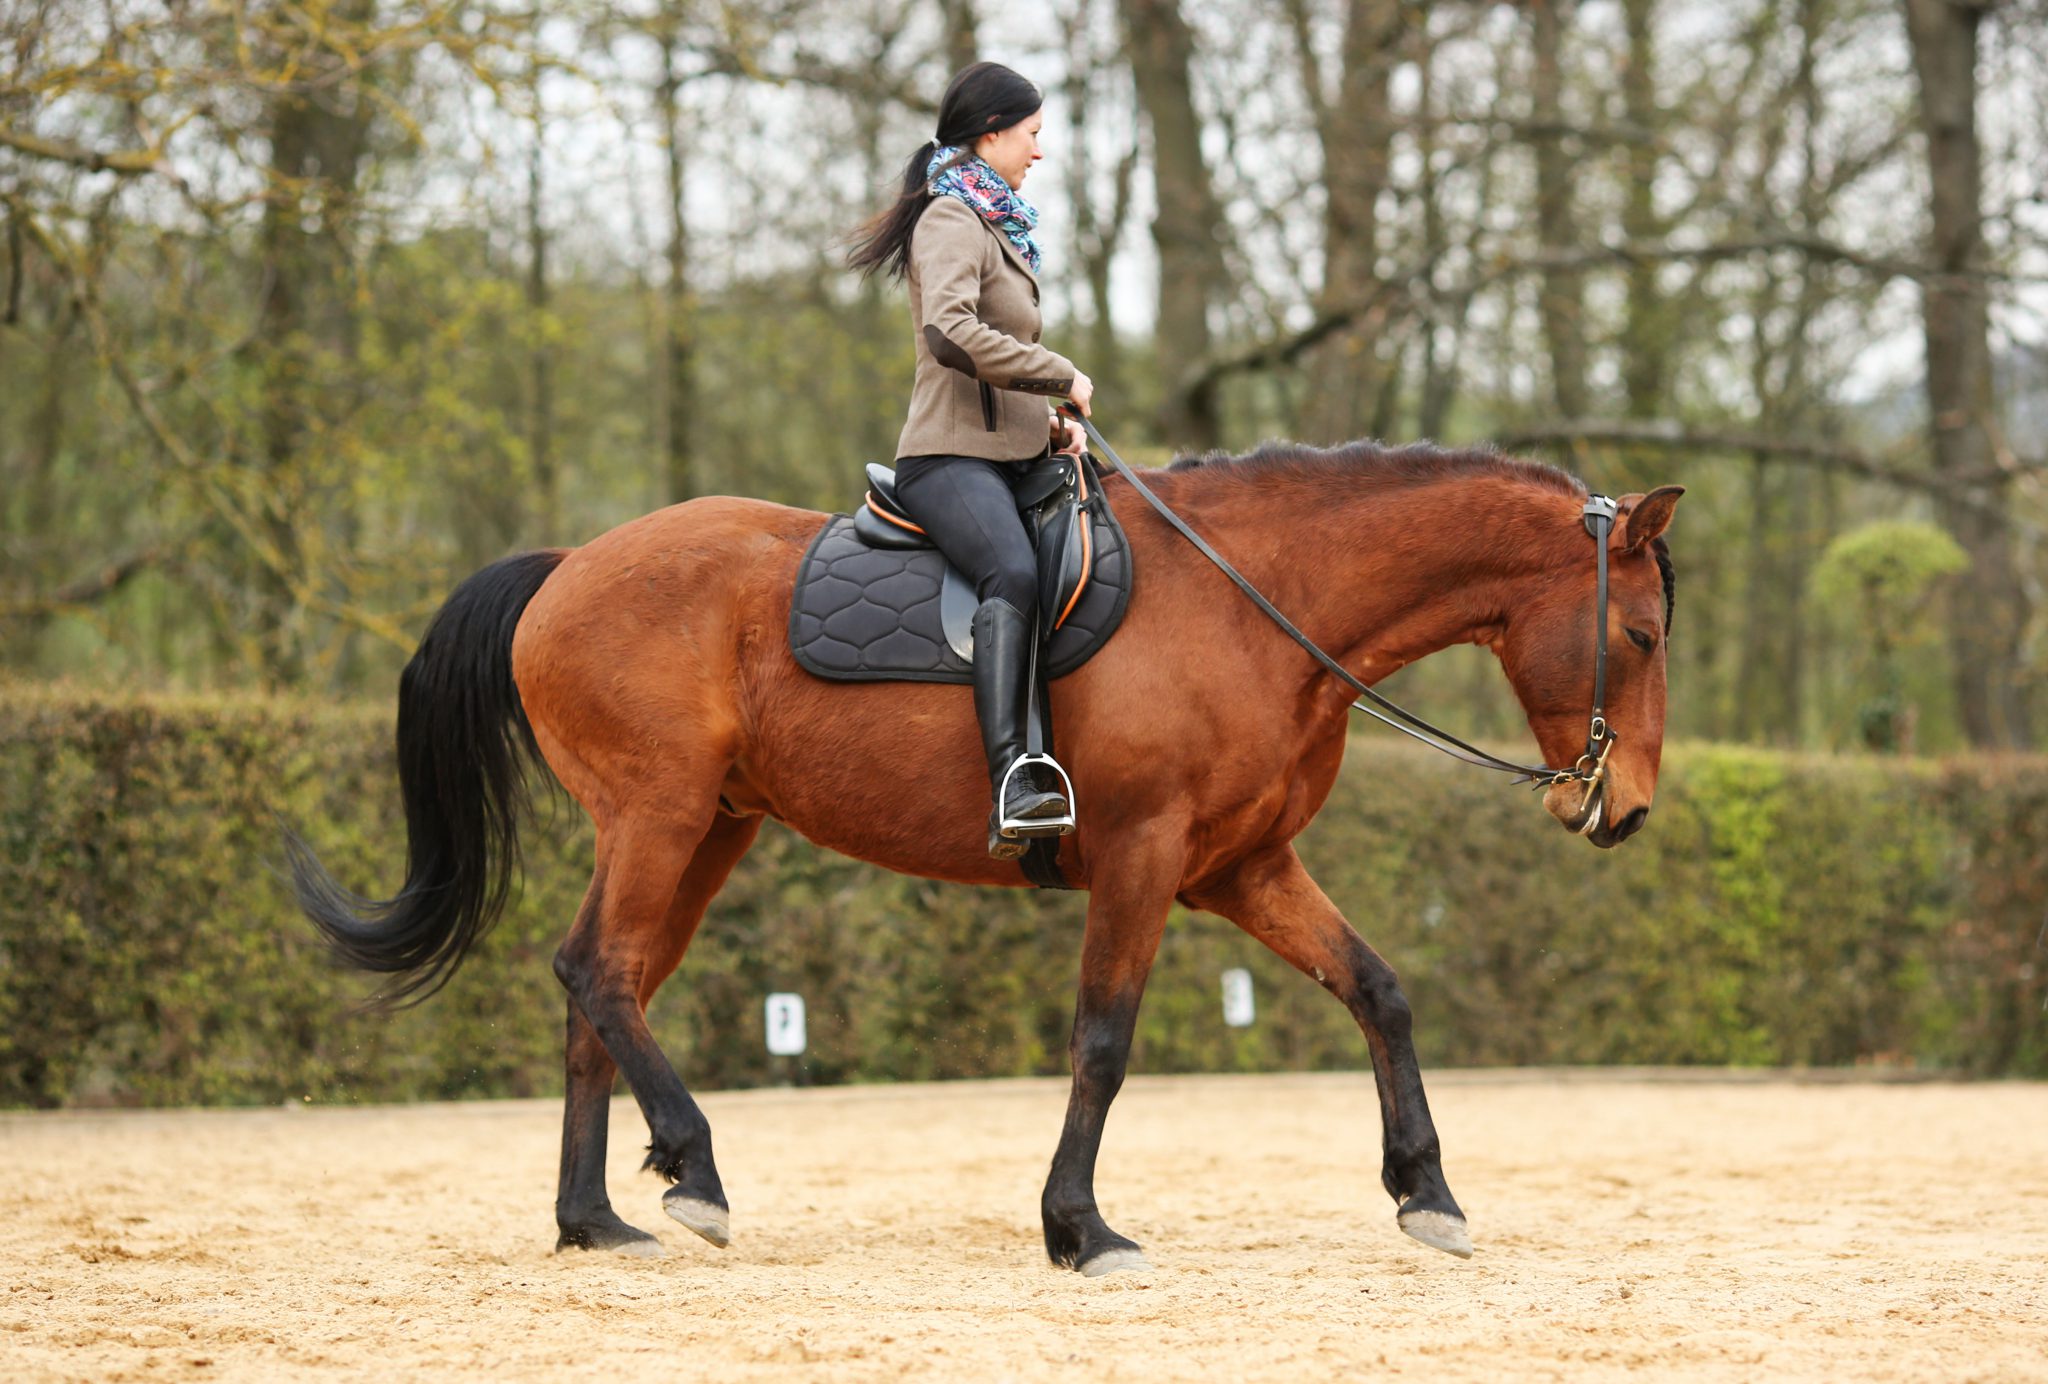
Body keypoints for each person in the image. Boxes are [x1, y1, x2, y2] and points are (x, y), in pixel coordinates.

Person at [846, 61, 1094, 861]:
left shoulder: (1001, 223)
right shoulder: (953, 217)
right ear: (991, 134)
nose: (1040, 151)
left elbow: (1003, 355)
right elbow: (950, 336)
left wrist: (1052, 420)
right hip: (948, 458)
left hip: (1010, 454)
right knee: (1012, 573)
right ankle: (1013, 778)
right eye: (1032, 134)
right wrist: (1060, 373)